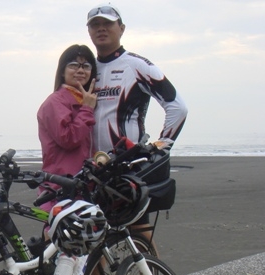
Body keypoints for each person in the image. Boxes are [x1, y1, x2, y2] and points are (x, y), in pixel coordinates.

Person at [86, 3, 188, 153]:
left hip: (129, 164)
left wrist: (160, 148)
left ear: (122, 29)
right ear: (89, 31)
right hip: (91, 166)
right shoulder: (87, 70)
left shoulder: (138, 66)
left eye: (108, 23)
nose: (101, 28)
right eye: (95, 25)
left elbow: (178, 108)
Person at [37, 44, 98, 210]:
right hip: (61, 188)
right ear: (62, 71)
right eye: (73, 65)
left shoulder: (86, 100)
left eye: (86, 66)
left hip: (82, 186)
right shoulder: (55, 102)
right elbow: (68, 138)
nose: (80, 70)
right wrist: (86, 110)